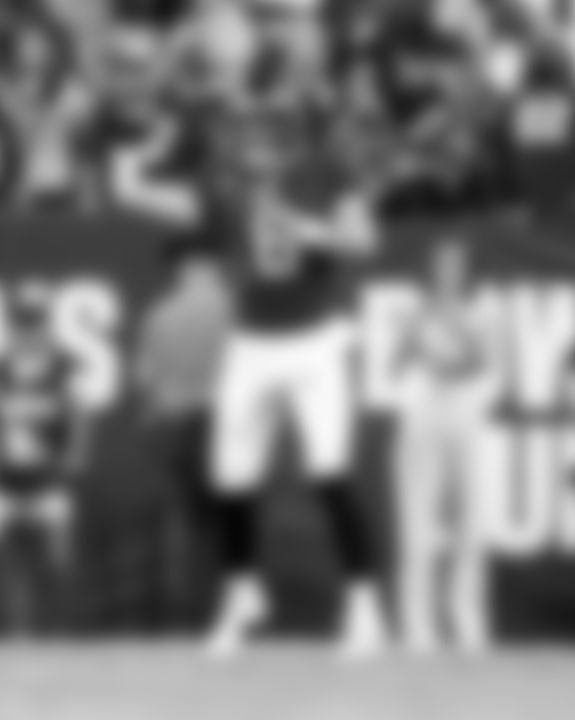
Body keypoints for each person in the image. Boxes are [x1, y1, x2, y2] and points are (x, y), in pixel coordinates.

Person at [201, 127, 387, 661]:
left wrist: (312, 230)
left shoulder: (324, 172)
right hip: (251, 341)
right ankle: (241, 592)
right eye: (250, 136)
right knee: (230, 475)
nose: (256, 148)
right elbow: (161, 203)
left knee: (329, 471)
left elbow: (365, 241)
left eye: (268, 136)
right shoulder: (229, 183)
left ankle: (364, 603)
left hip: (313, 339)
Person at [391, 240, 494, 656]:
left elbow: (481, 362)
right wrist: (414, 334)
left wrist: (456, 327)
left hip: (465, 417)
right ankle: (417, 625)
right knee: (417, 525)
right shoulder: (413, 310)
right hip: (422, 417)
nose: (448, 272)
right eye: (441, 265)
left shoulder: (481, 311)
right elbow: (395, 365)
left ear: (465, 271)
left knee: (471, 523)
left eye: (456, 266)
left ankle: (466, 620)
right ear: (430, 270)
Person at [133, 240, 234, 629]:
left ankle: (181, 614)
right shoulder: (231, 309)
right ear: (205, 268)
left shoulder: (160, 314)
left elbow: (143, 376)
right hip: (219, 421)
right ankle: (224, 612)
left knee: (181, 520)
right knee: (229, 519)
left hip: (173, 421)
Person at [0, 301, 91, 635]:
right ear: (11, 330)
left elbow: (78, 413)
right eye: (22, 326)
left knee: (59, 557)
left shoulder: (62, 366)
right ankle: (17, 630)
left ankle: (60, 627)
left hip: (48, 476)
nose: (28, 334)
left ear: (45, 328)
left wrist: (74, 453)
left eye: (34, 325)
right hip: (6, 476)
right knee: (7, 558)